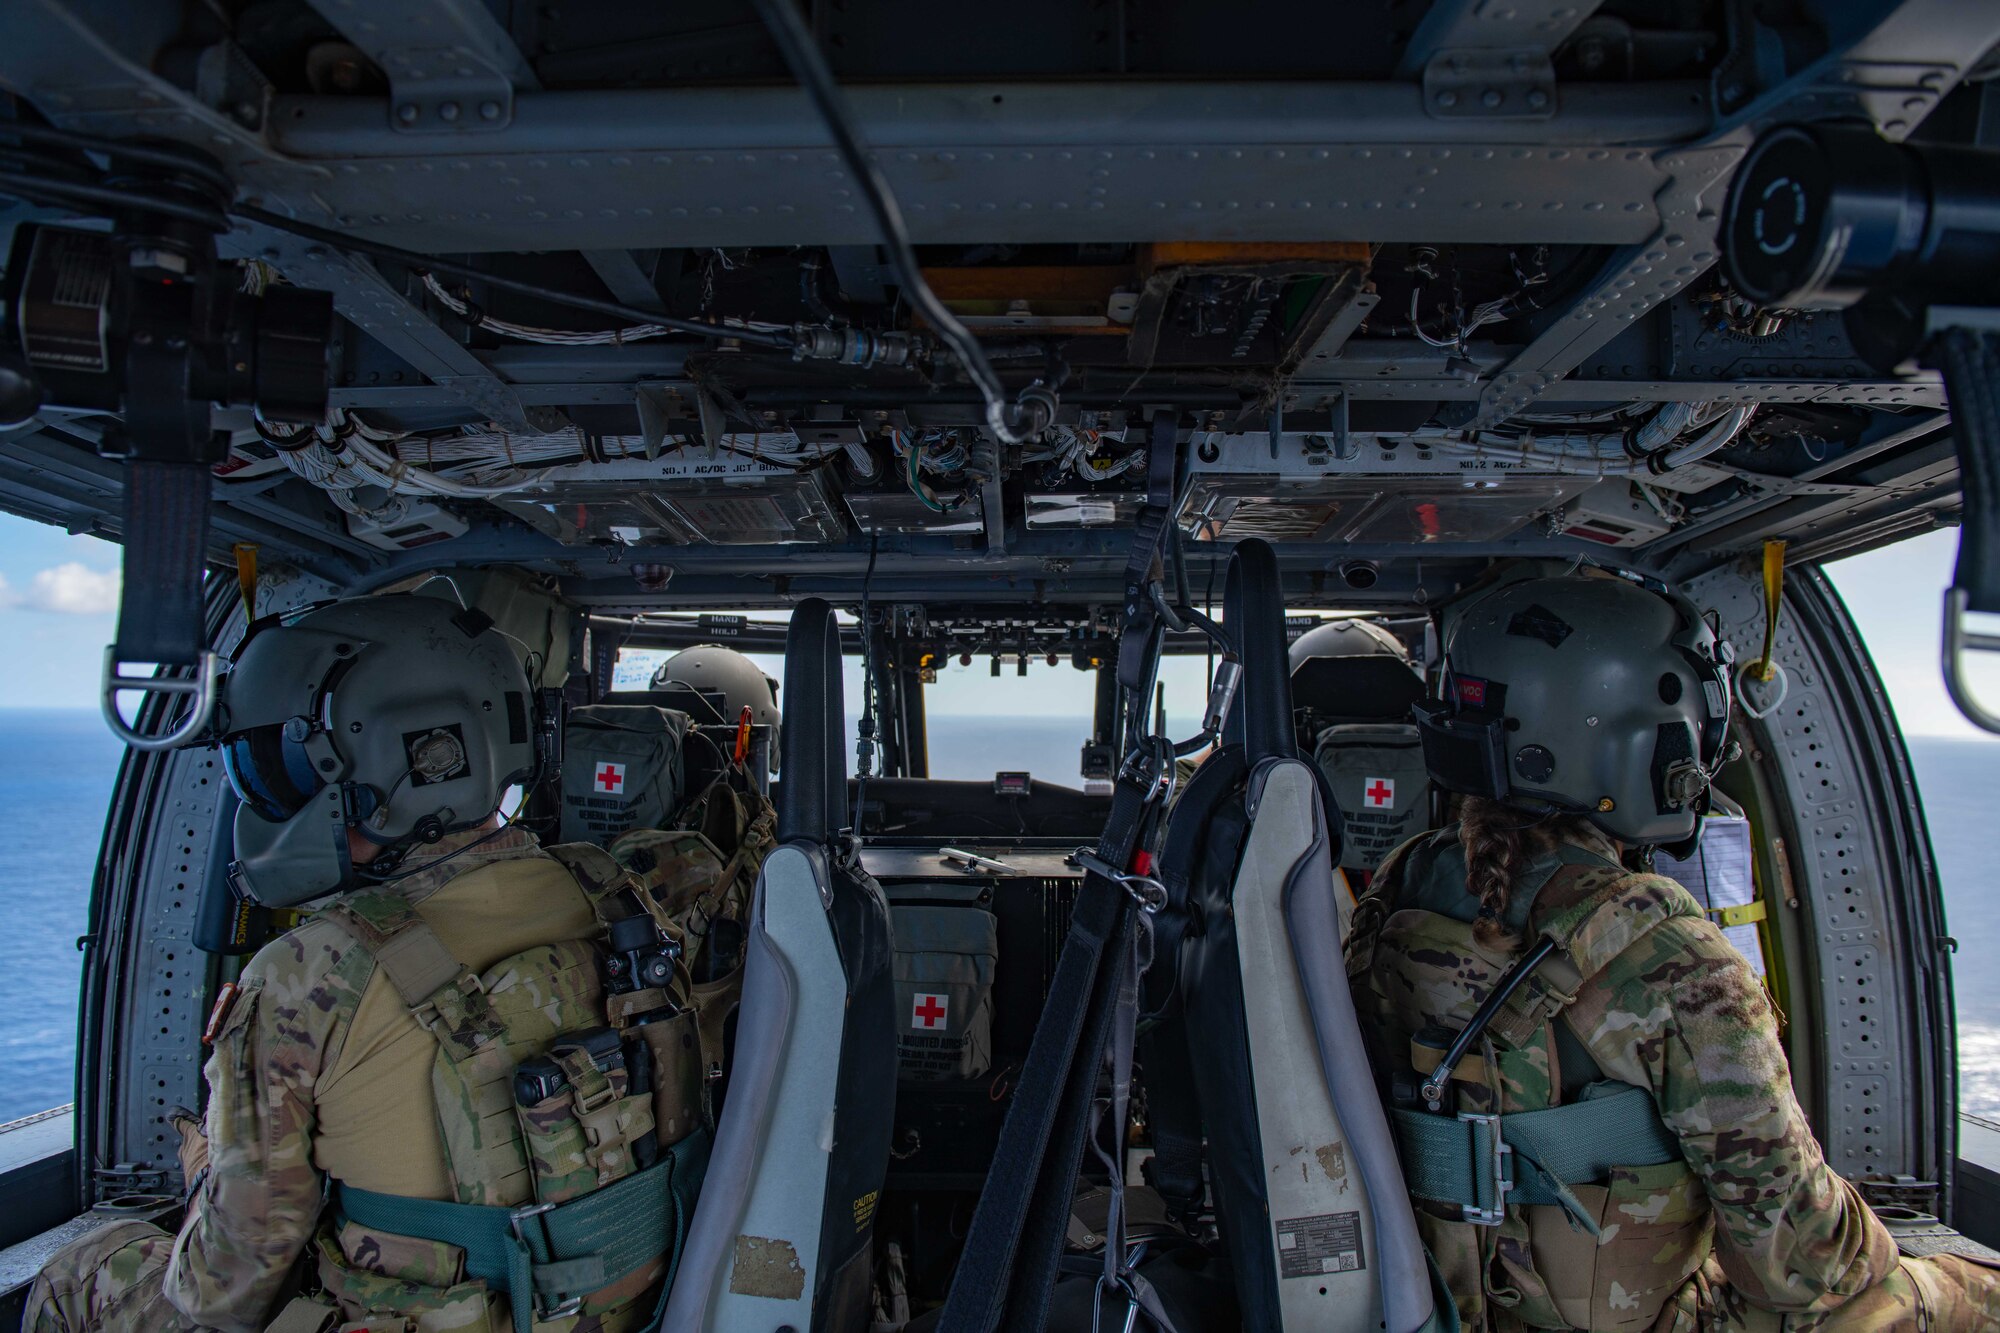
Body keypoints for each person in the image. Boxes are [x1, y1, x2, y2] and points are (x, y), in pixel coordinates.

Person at [29, 594, 707, 1333]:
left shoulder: (310, 971)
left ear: (388, 759)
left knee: (89, 1266)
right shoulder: (614, 892)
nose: (274, 801)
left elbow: (224, 1288)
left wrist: (204, 1184)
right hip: (621, 1310)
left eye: (278, 771)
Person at [1346, 571, 2000, 1332]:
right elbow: (1803, 1261)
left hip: (1441, 1300)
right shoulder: (1662, 953)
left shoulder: (1403, 883)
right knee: (1949, 1293)